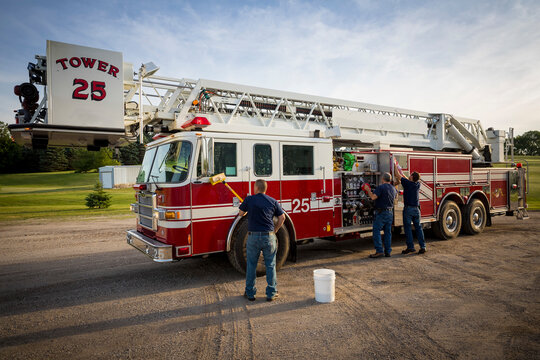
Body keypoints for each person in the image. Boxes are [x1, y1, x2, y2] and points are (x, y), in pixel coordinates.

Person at [238, 179, 285, 301]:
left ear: (256, 188)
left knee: (251, 265)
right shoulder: (272, 201)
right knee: (270, 265)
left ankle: (250, 293)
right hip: (268, 237)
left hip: (253, 237)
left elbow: (240, 214)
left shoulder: (249, 199)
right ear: (265, 189)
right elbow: (282, 217)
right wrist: (275, 230)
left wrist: (245, 207)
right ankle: (271, 293)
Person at [362, 172, 397, 258]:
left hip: (381, 213)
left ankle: (379, 251)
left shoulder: (381, 187)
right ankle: (388, 251)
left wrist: (368, 190)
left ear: (382, 179)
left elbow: (373, 197)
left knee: (376, 231)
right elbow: (395, 200)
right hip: (390, 212)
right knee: (388, 233)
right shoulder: (393, 188)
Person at [394, 165, 426, 254]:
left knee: (407, 228)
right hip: (416, 210)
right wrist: (403, 174)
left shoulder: (408, 184)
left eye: (411, 175)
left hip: (408, 210)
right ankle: (423, 246)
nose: (410, 175)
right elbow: (405, 179)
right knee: (418, 228)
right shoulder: (417, 184)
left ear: (412, 177)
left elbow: (397, 175)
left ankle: (410, 247)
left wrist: (394, 165)